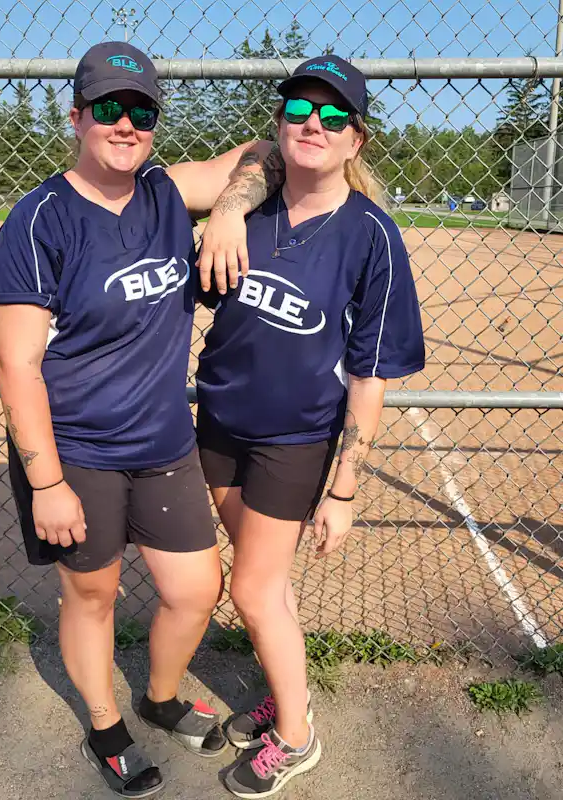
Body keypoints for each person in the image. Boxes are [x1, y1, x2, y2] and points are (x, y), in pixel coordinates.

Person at [0, 41, 284, 799]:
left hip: (162, 444)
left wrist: (228, 212)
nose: (125, 124)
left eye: (141, 111)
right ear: (76, 116)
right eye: (108, 108)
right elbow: (17, 365)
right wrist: (46, 482)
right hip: (75, 450)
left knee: (194, 590)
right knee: (94, 594)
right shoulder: (40, 220)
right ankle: (107, 723)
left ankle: (159, 694)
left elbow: (262, 149)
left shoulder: (162, 191)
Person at [196, 55, 425, 797]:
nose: (313, 127)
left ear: (356, 140)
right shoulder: (249, 206)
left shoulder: (371, 235)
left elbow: (371, 372)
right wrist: (228, 207)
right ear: (278, 125)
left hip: (294, 440)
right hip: (220, 421)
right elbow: (197, 178)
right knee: (270, 585)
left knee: (254, 591)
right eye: (299, 113)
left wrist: (346, 486)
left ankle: (296, 736)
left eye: (333, 118)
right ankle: (284, 690)